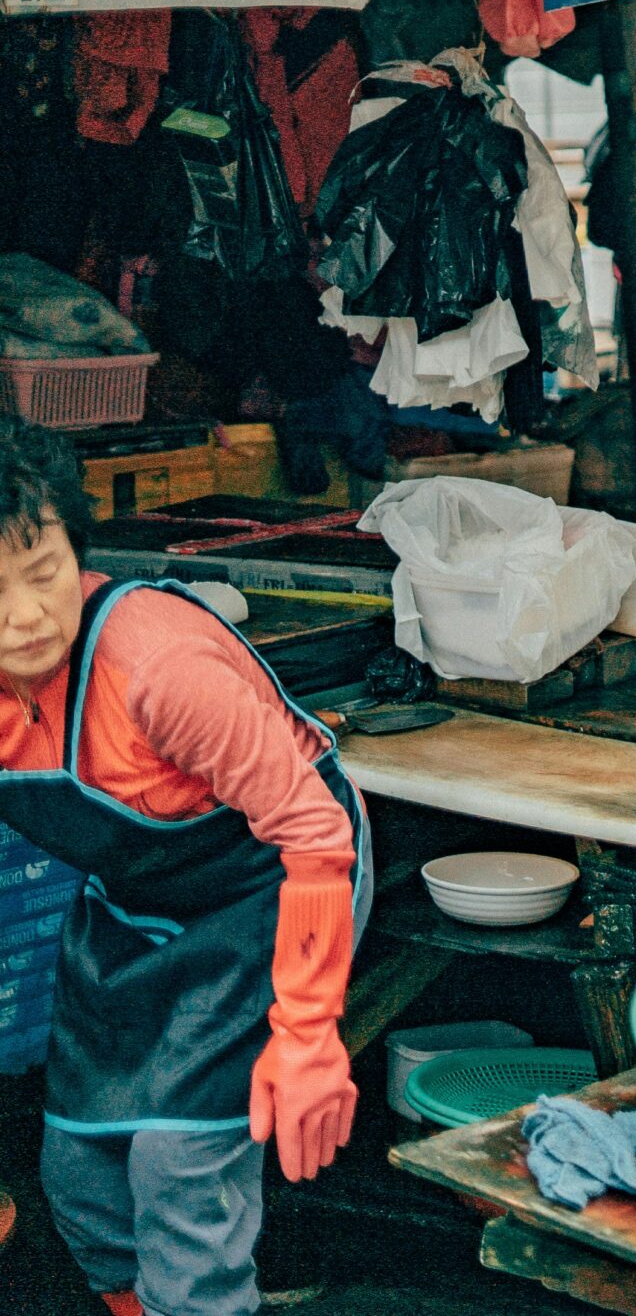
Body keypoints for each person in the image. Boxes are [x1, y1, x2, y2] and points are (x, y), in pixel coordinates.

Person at [0, 413, 368, 1316]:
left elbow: (314, 835)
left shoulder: (157, 667)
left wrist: (309, 1034)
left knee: (178, 1163)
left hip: (273, 886)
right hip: (135, 903)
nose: (22, 615)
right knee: (80, 1173)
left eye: (42, 571)